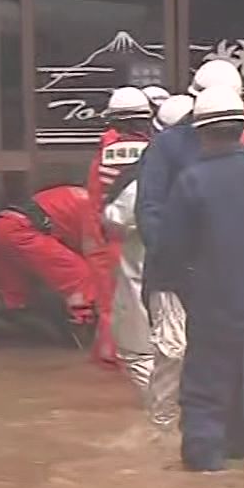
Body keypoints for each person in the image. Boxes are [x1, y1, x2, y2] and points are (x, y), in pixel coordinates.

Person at [153, 87, 244, 471]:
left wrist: (185, 292)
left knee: (205, 407)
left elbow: (169, 254)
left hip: (213, 313)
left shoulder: (191, 182)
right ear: (242, 127)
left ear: (200, 132)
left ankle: (207, 483)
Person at [103, 93, 192, 414]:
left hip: (147, 276)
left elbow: (116, 218)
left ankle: (164, 419)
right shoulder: (210, 170)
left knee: (145, 352)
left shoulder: (146, 178)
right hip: (200, 283)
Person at [0, 183, 111, 345]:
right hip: (24, 231)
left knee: (14, 299)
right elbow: (95, 258)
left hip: (1, 227)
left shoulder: (80, 196)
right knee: (81, 276)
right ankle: (83, 328)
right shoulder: (95, 211)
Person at [86, 86, 156, 369]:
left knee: (113, 308)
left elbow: (94, 200)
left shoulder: (105, 154)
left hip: (113, 238)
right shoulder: (156, 151)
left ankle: (111, 367)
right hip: (150, 238)